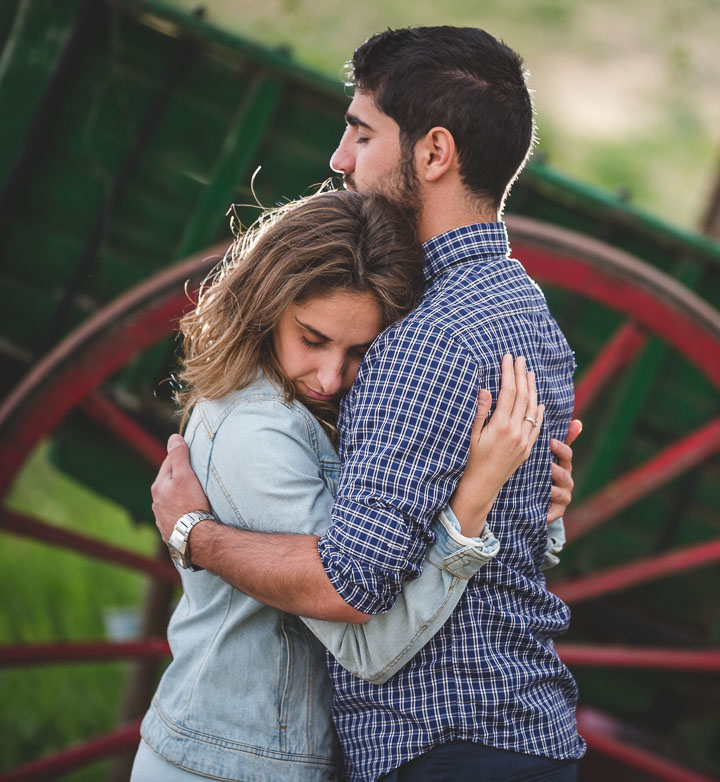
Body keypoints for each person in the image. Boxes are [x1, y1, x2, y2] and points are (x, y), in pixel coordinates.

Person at [151, 25, 585, 782]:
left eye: (361, 132)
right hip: (514, 730)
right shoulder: (525, 311)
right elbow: (526, 535)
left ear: (433, 153)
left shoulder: (423, 340)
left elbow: (348, 587)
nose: (339, 159)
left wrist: (193, 532)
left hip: (442, 743)